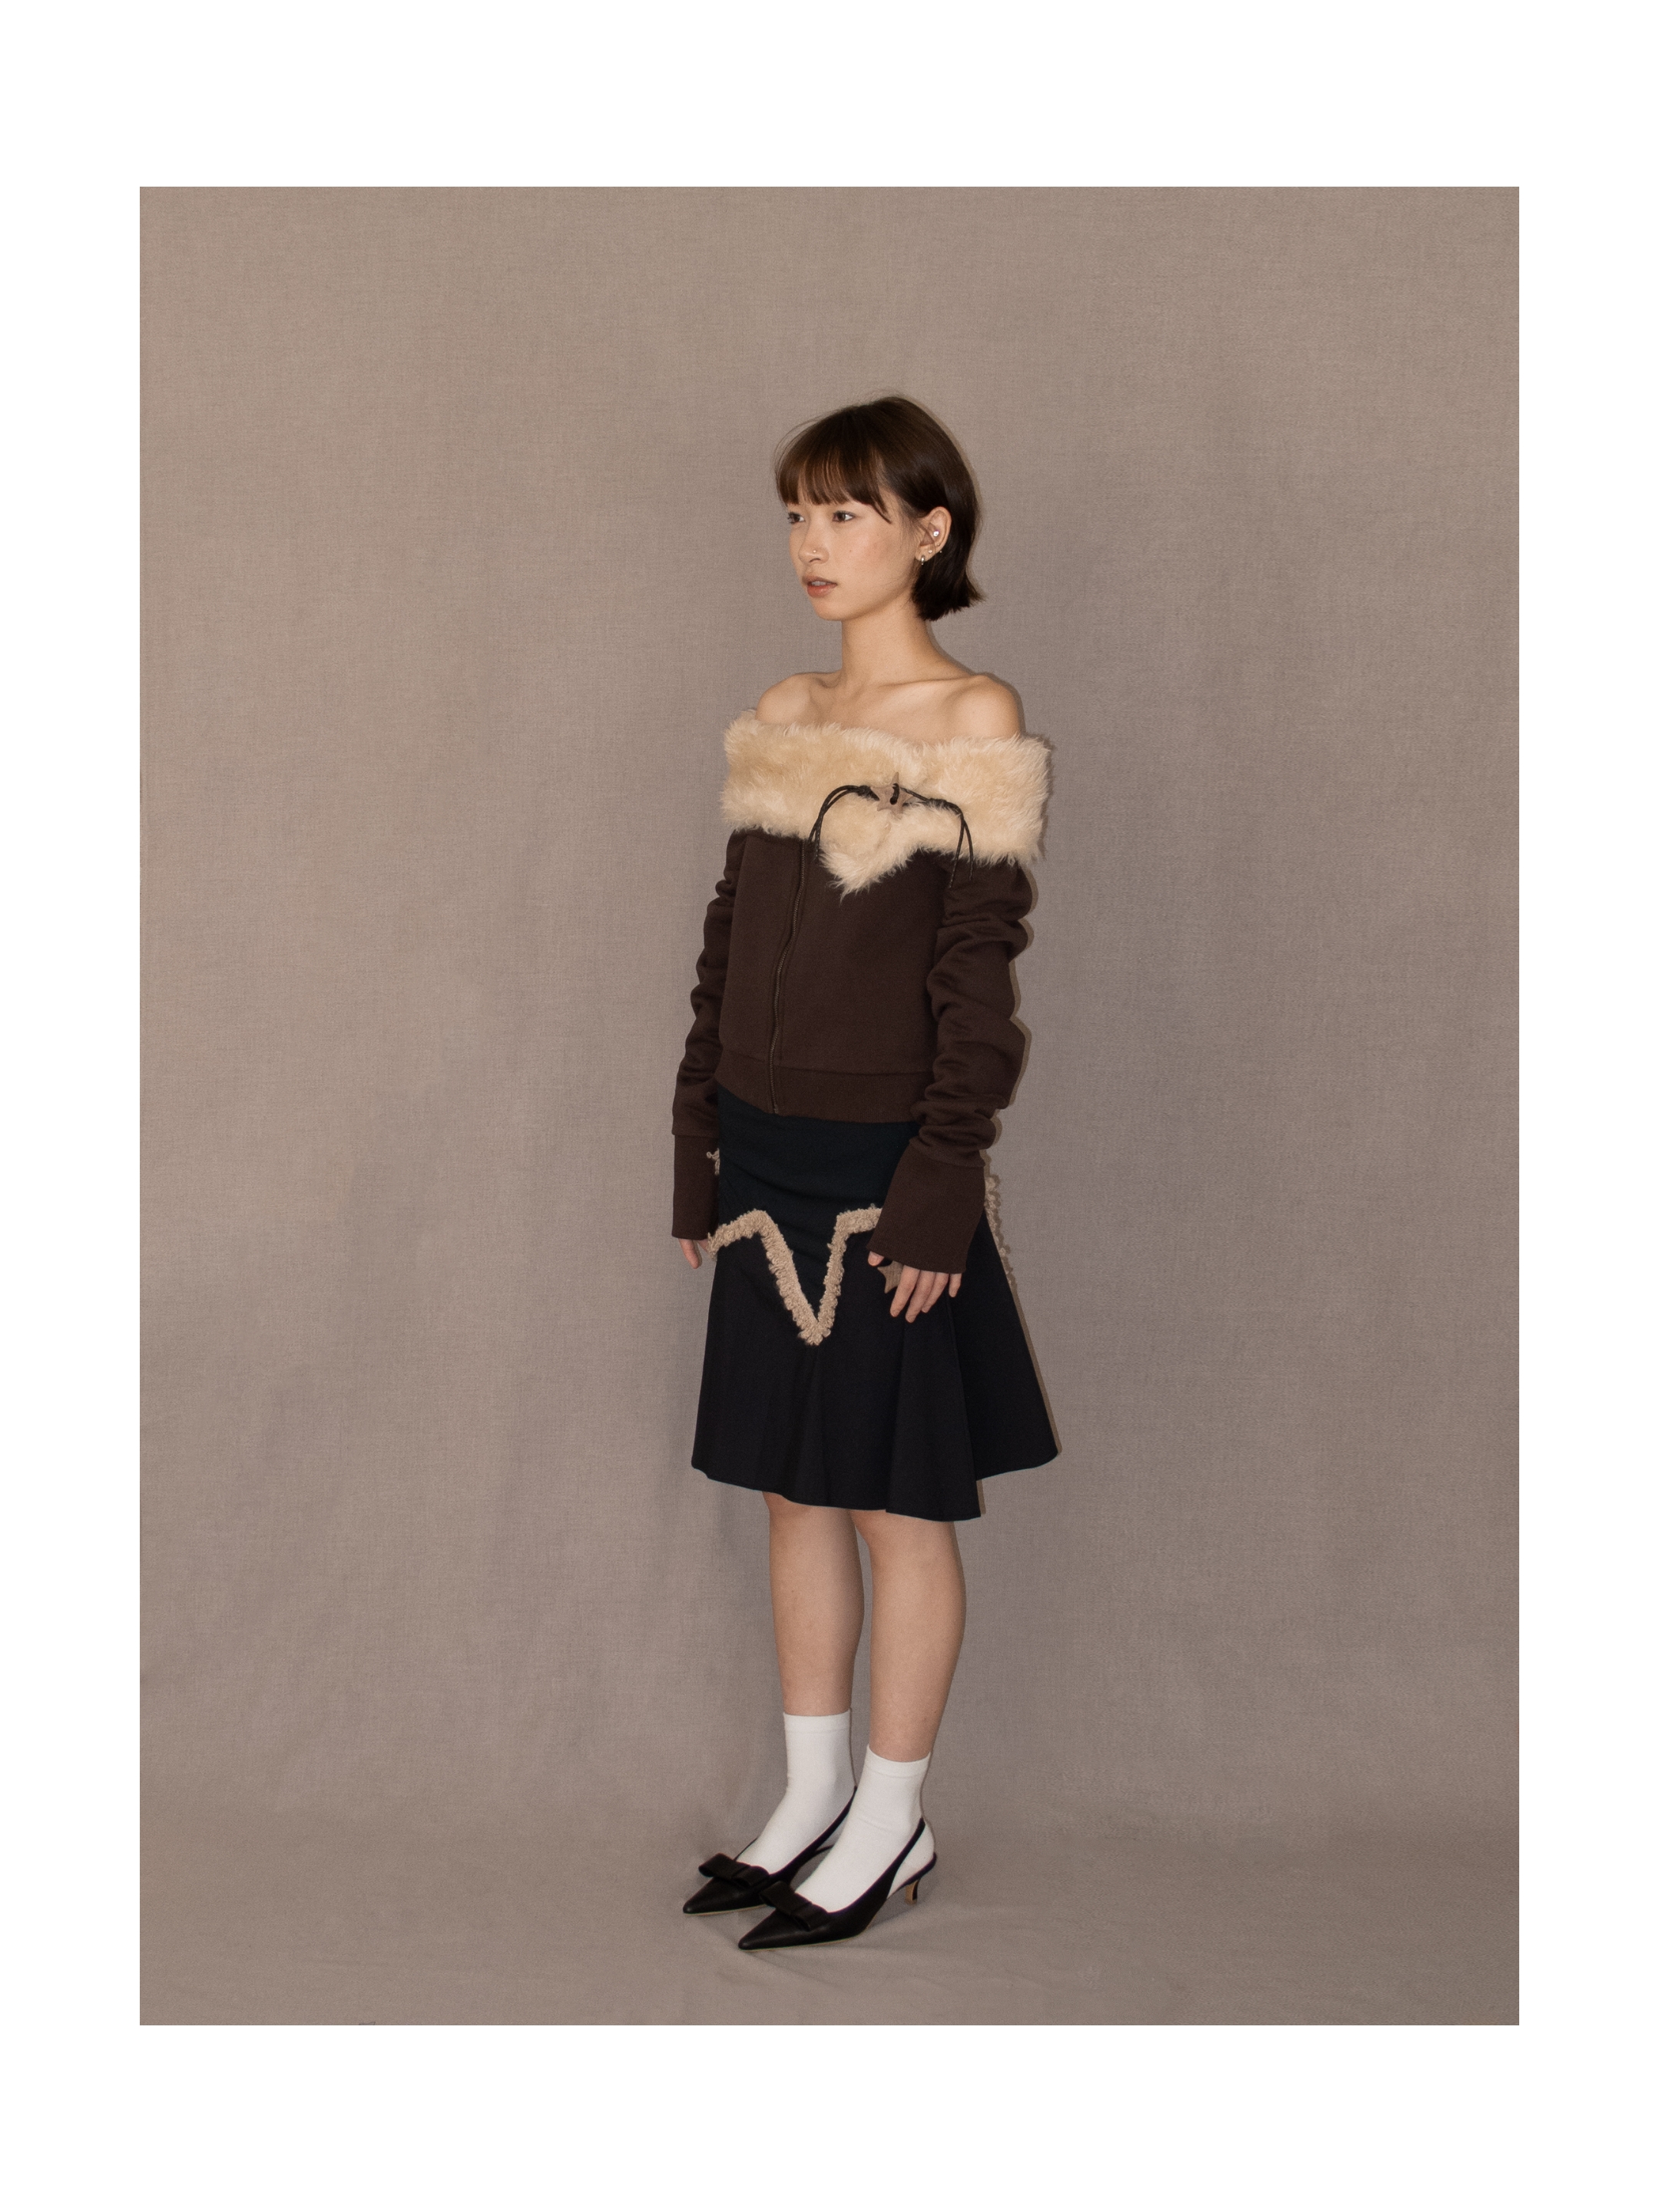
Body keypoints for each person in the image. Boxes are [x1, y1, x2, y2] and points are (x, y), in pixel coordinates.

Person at [671, 394, 1057, 1951]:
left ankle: (892, 1821)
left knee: (896, 1505)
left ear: (928, 530)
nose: (812, 544)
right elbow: (726, 950)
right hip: (763, 1152)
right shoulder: (784, 707)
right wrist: (695, 1142)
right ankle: (809, 1796)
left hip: (886, 1165)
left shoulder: (971, 718)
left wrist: (940, 1182)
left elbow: (979, 984)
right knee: (794, 1491)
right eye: (797, 514)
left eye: (845, 513)